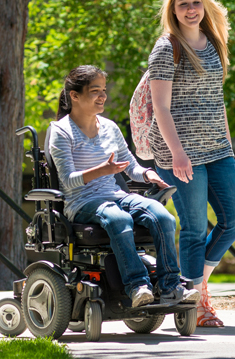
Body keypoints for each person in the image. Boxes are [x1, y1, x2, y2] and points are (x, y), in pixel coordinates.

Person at [49, 65, 199, 308]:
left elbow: (130, 166)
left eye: (104, 90)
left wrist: (147, 174)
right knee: (119, 219)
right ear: (74, 96)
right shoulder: (61, 131)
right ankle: (137, 286)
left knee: (163, 217)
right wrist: (102, 171)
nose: (103, 96)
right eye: (95, 91)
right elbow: (67, 179)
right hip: (82, 202)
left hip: (114, 195)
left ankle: (172, 286)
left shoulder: (110, 127)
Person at [148, 0, 235, 326]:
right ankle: (194, 308)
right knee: (192, 229)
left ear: (204, 5)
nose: (190, 10)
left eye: (195, 3)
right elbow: (160, 107)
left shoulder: (215, 42)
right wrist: (177, 153)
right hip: (180, 152)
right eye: (182, 5)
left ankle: (196, 286)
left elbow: (216, 99)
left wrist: (228, 144)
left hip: (218, 149)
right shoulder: (167, 48)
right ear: (172, 10)